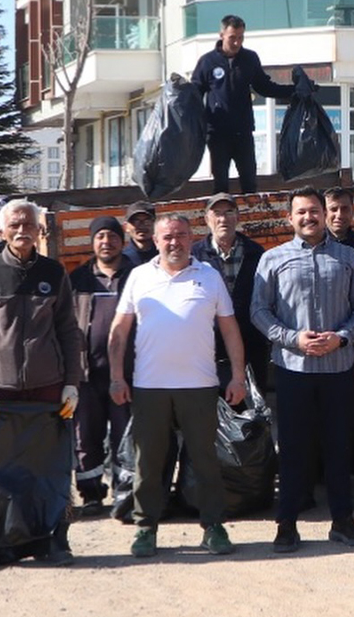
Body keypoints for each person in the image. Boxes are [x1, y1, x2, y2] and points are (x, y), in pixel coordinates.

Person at [107, 215, 248, 557]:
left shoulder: (209, 276)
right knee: (148, 463)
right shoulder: (139, 277)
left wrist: (238, 376)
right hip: (149, 387)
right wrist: (116, 376)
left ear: (191, 238)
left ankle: (213, 526)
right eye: (168, 236)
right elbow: (119, 331)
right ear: (156, 240)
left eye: (182, 236)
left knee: (206, 462)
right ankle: (145, 528)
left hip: (199, 386)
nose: (175, 242)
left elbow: (230, 330)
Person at [251, 187, 354, 553]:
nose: (309, 217)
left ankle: (343, 521)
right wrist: (291, 338)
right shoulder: (274, 259)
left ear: (324, 214)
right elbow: (259, 310)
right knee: (293, 448)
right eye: (301, 212)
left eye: (314, 211)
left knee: (339, 447)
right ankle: (286, 524)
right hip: (293, 369)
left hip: (338, 369)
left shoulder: (349, 256)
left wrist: (343, 337)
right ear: (290, 218)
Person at [0, 198, 82, 570]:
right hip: (1, 390)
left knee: (52, 469)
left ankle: (55, 540)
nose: (21, 230)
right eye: (14, 224)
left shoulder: (54, 272)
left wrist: (72, 383)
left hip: (49, 389)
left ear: (39, 229)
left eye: (28, 224)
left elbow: (68, 331)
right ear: (0, 229)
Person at [68, 216, 135, 516]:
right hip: (86, 374)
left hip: (127, 374)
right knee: (85, 437)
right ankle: (92, 494)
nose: (106, 242)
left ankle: (125, 493)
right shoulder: (78, 278)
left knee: (126, 435)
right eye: (100, 236)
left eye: (112, 236)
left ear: (122, 241)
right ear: (92, 242)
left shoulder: (137, 275)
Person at [192, 15, 297, 194]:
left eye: (241, 37)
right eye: (232, 37)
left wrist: (293, 92)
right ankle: (221, 218)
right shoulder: (207, 62)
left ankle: (251, 219)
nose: (236, 42)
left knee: (249, 181)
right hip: (217, 133)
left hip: (243, 130)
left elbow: (264, 87)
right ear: (221, 35)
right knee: (221, 183)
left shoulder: (249, 58)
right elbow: (194, 94)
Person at [191, 192, 269, 391]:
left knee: (252, 414)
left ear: (238, 217)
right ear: (207, 219)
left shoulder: (256, 253)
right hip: (208, 350)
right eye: (217, 213)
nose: (223, 219)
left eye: (229, 212)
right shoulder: (194, 256)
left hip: (251, 347)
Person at [123, 201, 158, 265]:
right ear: (126, 227)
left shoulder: (164, 255)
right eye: (135, 221)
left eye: (147, 221)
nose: (141, 226)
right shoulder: (121, 259)